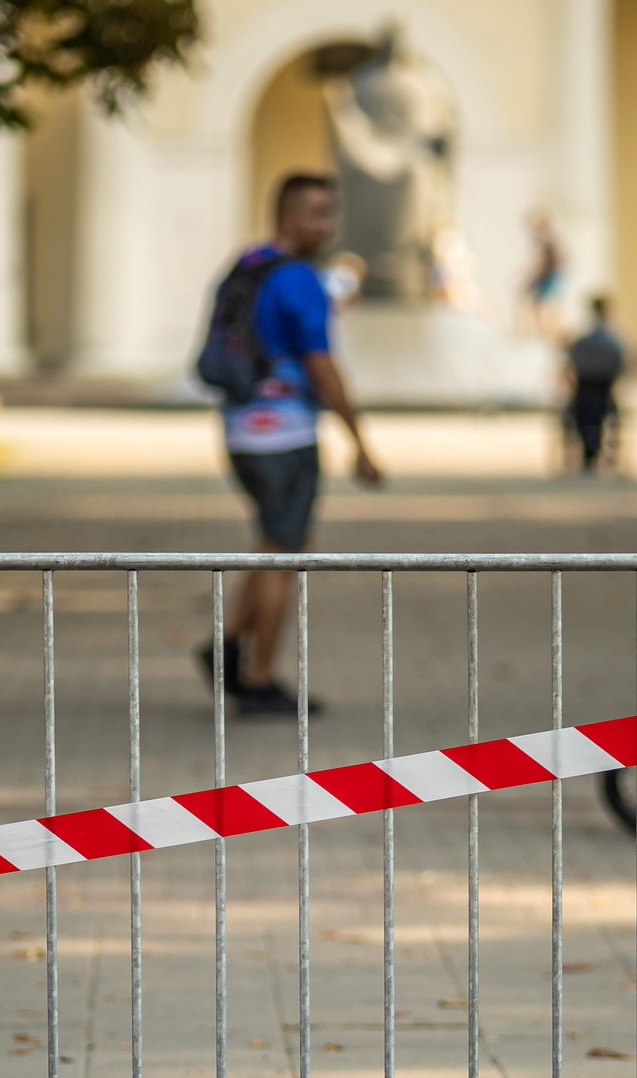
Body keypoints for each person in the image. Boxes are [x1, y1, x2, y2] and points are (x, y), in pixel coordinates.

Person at [202, 172, 385, 718]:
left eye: (332, 213)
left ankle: (227, 644)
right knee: (284, 558)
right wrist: (360, 440)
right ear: (286, 214)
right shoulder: (301, 279)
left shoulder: (245, 265)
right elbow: (322, 366)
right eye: (317, 213)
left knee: (269, 542)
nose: (327, 225)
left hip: (241, 433)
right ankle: (259, 681)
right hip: (287, 437)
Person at [563, 297, 625, 474]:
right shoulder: (613, 342)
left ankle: (588, 452)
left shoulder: (582, 341)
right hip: (604, 390)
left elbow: (570, 366)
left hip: (584, 390)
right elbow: (620, 367)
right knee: (601, 418)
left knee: (582, 418)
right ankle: (596, 452)